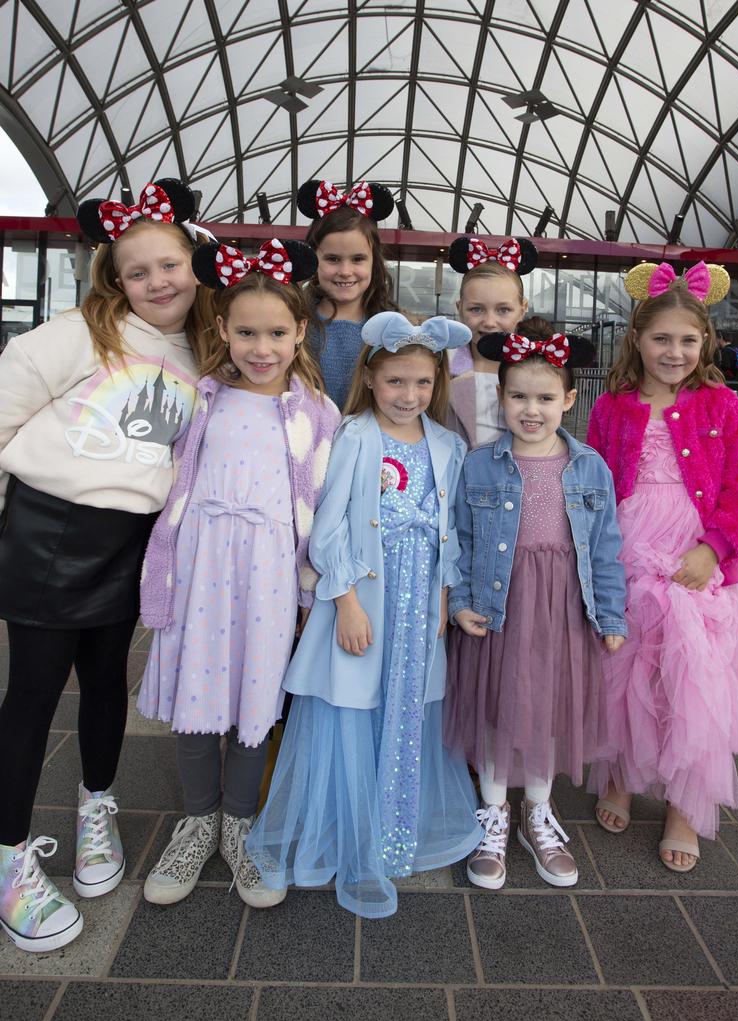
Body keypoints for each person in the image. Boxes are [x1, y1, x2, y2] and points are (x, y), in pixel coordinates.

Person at [0, 179, 214, 952]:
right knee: (29, 694)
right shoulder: (76, 335)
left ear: (197, 263)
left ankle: (98, 809)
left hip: (132, 542)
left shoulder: (204, 351)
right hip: (50, 531)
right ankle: (9, 858)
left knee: (104, 685)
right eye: (138, 271)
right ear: (114, 281)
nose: (159, 281)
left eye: (171, 264)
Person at [245, 311, 483, 918]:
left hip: (417, 604)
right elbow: (330, 529)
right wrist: (345, 601)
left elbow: (446, 533)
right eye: (397, 382)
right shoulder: (354, 435)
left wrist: (441, 600)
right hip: (366, 601)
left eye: (423, 383)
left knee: (406, 706)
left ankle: (393, 827)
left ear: (438, 385)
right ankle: (349, 829)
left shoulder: (448, 446)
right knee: (352, 708)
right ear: (372, 380)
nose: (410, 395)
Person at [137, 239, 341, 907]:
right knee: (198, 695)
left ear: (300, 331)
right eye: (247, 331)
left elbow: (320, 502)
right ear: (222, 327)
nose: (262, 347)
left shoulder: (316, 412)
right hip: (202, 571)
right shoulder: (203, 398)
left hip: (270, 579)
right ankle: (197, 822)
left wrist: (315, 588)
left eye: (277, 332)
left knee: (256, 697)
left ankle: (239, 825)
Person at [587, 261, 738, 871]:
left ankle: (685, 806)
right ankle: (620, 774)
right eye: (661, 338)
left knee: (693, 678)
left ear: (706, 342)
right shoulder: (611, 407)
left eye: (688, 340)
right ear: (637, 339)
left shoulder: (722, 405)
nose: (675, 351)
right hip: (628, 549)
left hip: (694, 555)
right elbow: (593, 483)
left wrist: (714, 547)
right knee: (625, 667)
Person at [445, 325, 626, 889]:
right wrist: (459, 603)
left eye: (546, 398)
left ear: (570, 400)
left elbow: (605, 548)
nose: (531, 409)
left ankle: (537, 813)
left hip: (562, 611)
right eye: (519, 396)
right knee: (499, 706)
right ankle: (494, 813)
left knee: (549, 710)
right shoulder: (478, 464)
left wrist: (613, 616)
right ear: (500, 397)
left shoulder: (590, 467)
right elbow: (460, 539)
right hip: (499, 606)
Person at [297, 178, 398, 409]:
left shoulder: (391, 328)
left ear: (374, 261)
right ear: (314, 258)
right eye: (332, 259)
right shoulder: (296, 323)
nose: (345, 271)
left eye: (358, 259)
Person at [446, 235, 538, 448]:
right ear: (459, 309)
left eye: (503, 310)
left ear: (522, 309)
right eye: (476, 309)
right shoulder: (439, 367)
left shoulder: (540, 368)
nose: (489, 322)